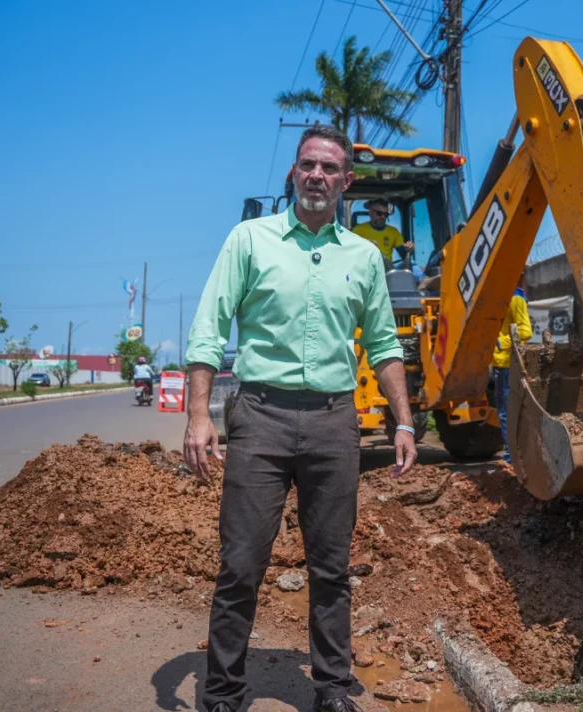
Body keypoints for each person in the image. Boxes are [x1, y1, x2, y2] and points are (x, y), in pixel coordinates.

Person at [183, 124, 418, 712]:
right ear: (294, 172)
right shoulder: (249, 240)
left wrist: (405, 421)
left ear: (346, 181)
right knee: (241, 564)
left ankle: (332, 689)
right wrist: (197, 417)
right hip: (259, 417)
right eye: (307, 164)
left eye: (329, 168)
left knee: (331, 567)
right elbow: (209, 329)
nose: (317, 175)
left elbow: (385, 345)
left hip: (335, 424)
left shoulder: (363, 256)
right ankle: (223, 691)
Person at [491, 277, 533, 464]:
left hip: (508, 364)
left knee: (507, 413)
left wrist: (501, 343)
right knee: (505, 412)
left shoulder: (515, 298)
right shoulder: (500, 298)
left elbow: (525, 331)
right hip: (501, 364)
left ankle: (512, 459)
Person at [352, 198, 414, 266]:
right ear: (370, 212)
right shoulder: (358, 230)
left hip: (387, 269)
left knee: (412, 264)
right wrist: (365, 246)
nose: (383, 217)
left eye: (386, 214)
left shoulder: (393, 232)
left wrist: (408, 249)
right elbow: (351, 253)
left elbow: (403, 255)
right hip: (366, 268)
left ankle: (424, 277)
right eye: (379, 213)